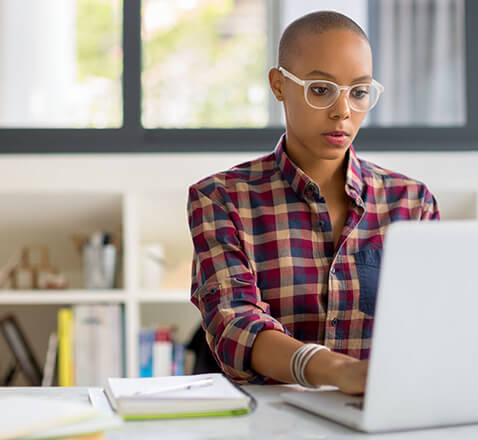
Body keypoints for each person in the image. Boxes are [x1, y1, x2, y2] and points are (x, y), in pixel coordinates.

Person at [186, 10, 439, 395]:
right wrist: (338, 371)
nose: (343, 111)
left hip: (385, 416)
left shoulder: (411, 203)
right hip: (270, 424)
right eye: (321, 89)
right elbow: (235, 327)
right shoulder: (222, 199)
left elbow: (435, 325)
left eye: (359, 92)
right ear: (279, 85)